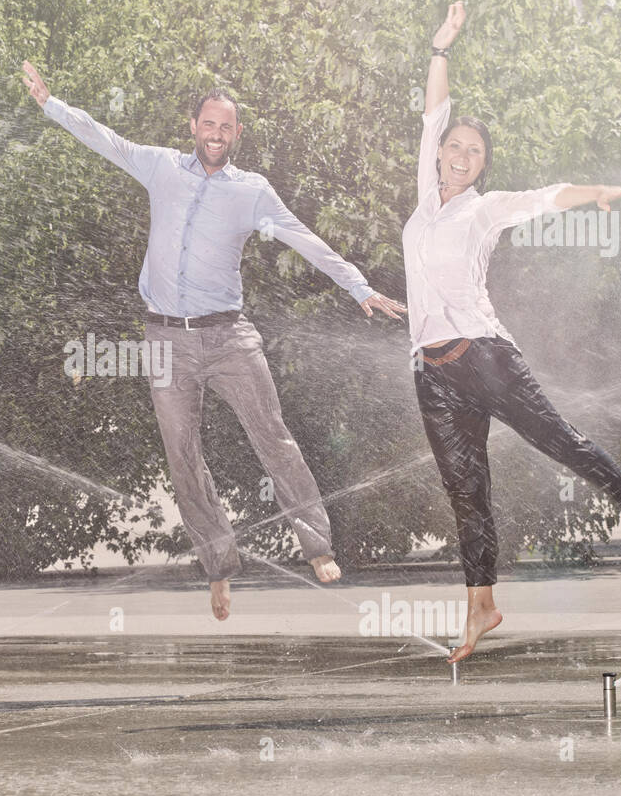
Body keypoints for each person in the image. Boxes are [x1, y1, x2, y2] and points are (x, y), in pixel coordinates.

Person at [22, 60, 407, 621]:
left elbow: (304, 239)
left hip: (229, 336)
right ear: (194, 126)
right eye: (209, 124)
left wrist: (359, 288)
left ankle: (317, 545)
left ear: (237, 135)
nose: (216, 135)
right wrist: (49, 103)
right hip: (165, 341)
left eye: (226, 127)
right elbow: (103, 139)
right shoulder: (160, 168)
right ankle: (219, 566)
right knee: (183, 457)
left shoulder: (251, 192)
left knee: (274, 438)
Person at [407, 3, 621, 662]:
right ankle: (481, 605)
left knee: (559, 438)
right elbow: (434, 111)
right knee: (466, 492)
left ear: (479, 166)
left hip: (485, 357)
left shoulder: (485, 209)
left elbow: (546, 195)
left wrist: (600, 192)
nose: (462, 156)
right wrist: (441, 46)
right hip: (431, 373)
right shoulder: (423, 194)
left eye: (475, 153)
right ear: (439, 153)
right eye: (455, 147)